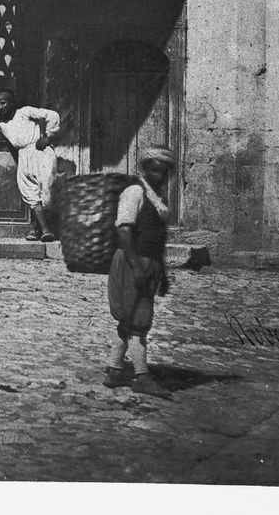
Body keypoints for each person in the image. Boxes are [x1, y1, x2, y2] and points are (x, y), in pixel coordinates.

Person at [104, 146, 175, 398]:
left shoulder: (156, 197)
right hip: (133, 262)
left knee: (132, 317)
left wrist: (162, 274)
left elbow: (157, 239)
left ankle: (114, 369)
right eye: (155, 170)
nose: (160, 176)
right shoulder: (134, 193)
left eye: (164, 172)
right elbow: (124, 231)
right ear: (145, 168)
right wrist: (137, 268)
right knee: (138, 322)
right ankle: (142, 376)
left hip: (149, 263)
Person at [0, 87, 61, 241]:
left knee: (47, 191)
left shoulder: (25, 112)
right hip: (23, 157)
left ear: (12, 103)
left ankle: (39, 229)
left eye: (4, 103)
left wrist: (48, 136)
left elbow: (52, 115)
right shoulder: (2, 124)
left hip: (39, 151)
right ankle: (45, 231)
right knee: (30, 193)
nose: (1, 107)